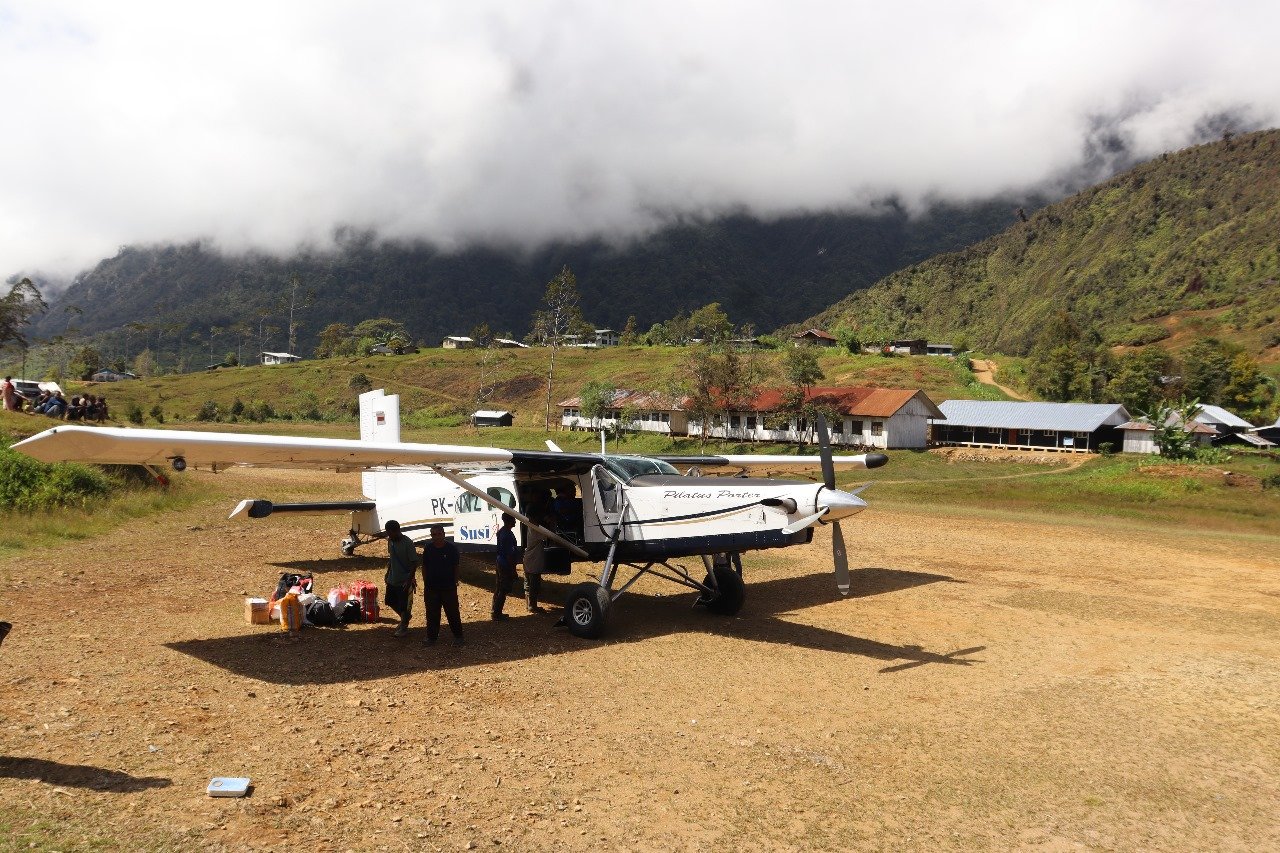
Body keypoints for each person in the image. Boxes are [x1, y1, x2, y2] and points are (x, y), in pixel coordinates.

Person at [420, 523, 463, 645]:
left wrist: (455, 581)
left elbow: (456, 566)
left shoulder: (451, 549)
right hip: (431, 588)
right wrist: (426, 582)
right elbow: (424, 566)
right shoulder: (428, 548)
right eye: (434, 534)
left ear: (444, 534)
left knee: (453, 613)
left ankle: (459, 637)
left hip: (448, 587)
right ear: (431, 536)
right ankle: (431, 638)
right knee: (432, 614)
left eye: (439, 534)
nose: (437, 537)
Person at [382, 520, 419, 637]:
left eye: (390, 533)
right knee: (389, 601)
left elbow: (414, 563)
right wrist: (388, 573)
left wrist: (409, 581)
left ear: (397, 531)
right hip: (393, 578)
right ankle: (405, 617)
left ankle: (403, 626)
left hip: (404, 580)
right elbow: (391, 559)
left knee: (403, 604)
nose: (389, 536)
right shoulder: (390, 542)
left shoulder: (407, 543)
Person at [492, 514, 518, 620]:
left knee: (499, 587)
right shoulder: (507, 534)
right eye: (513, 519)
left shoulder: (503, 531)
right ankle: (497, 614)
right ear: (509, 521)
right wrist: (513, 570)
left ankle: (494, 610)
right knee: (503, 589)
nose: (515, 521)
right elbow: (509, 555)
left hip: (500, 562)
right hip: (505, 564)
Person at [523, 511, 549, 613]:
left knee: (528, 584)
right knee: (534, 585)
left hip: (528, 558)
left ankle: (528, 605)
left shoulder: (530, 527)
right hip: (534, 560)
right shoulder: (536, 530)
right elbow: (548, 535)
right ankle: (532, 606)